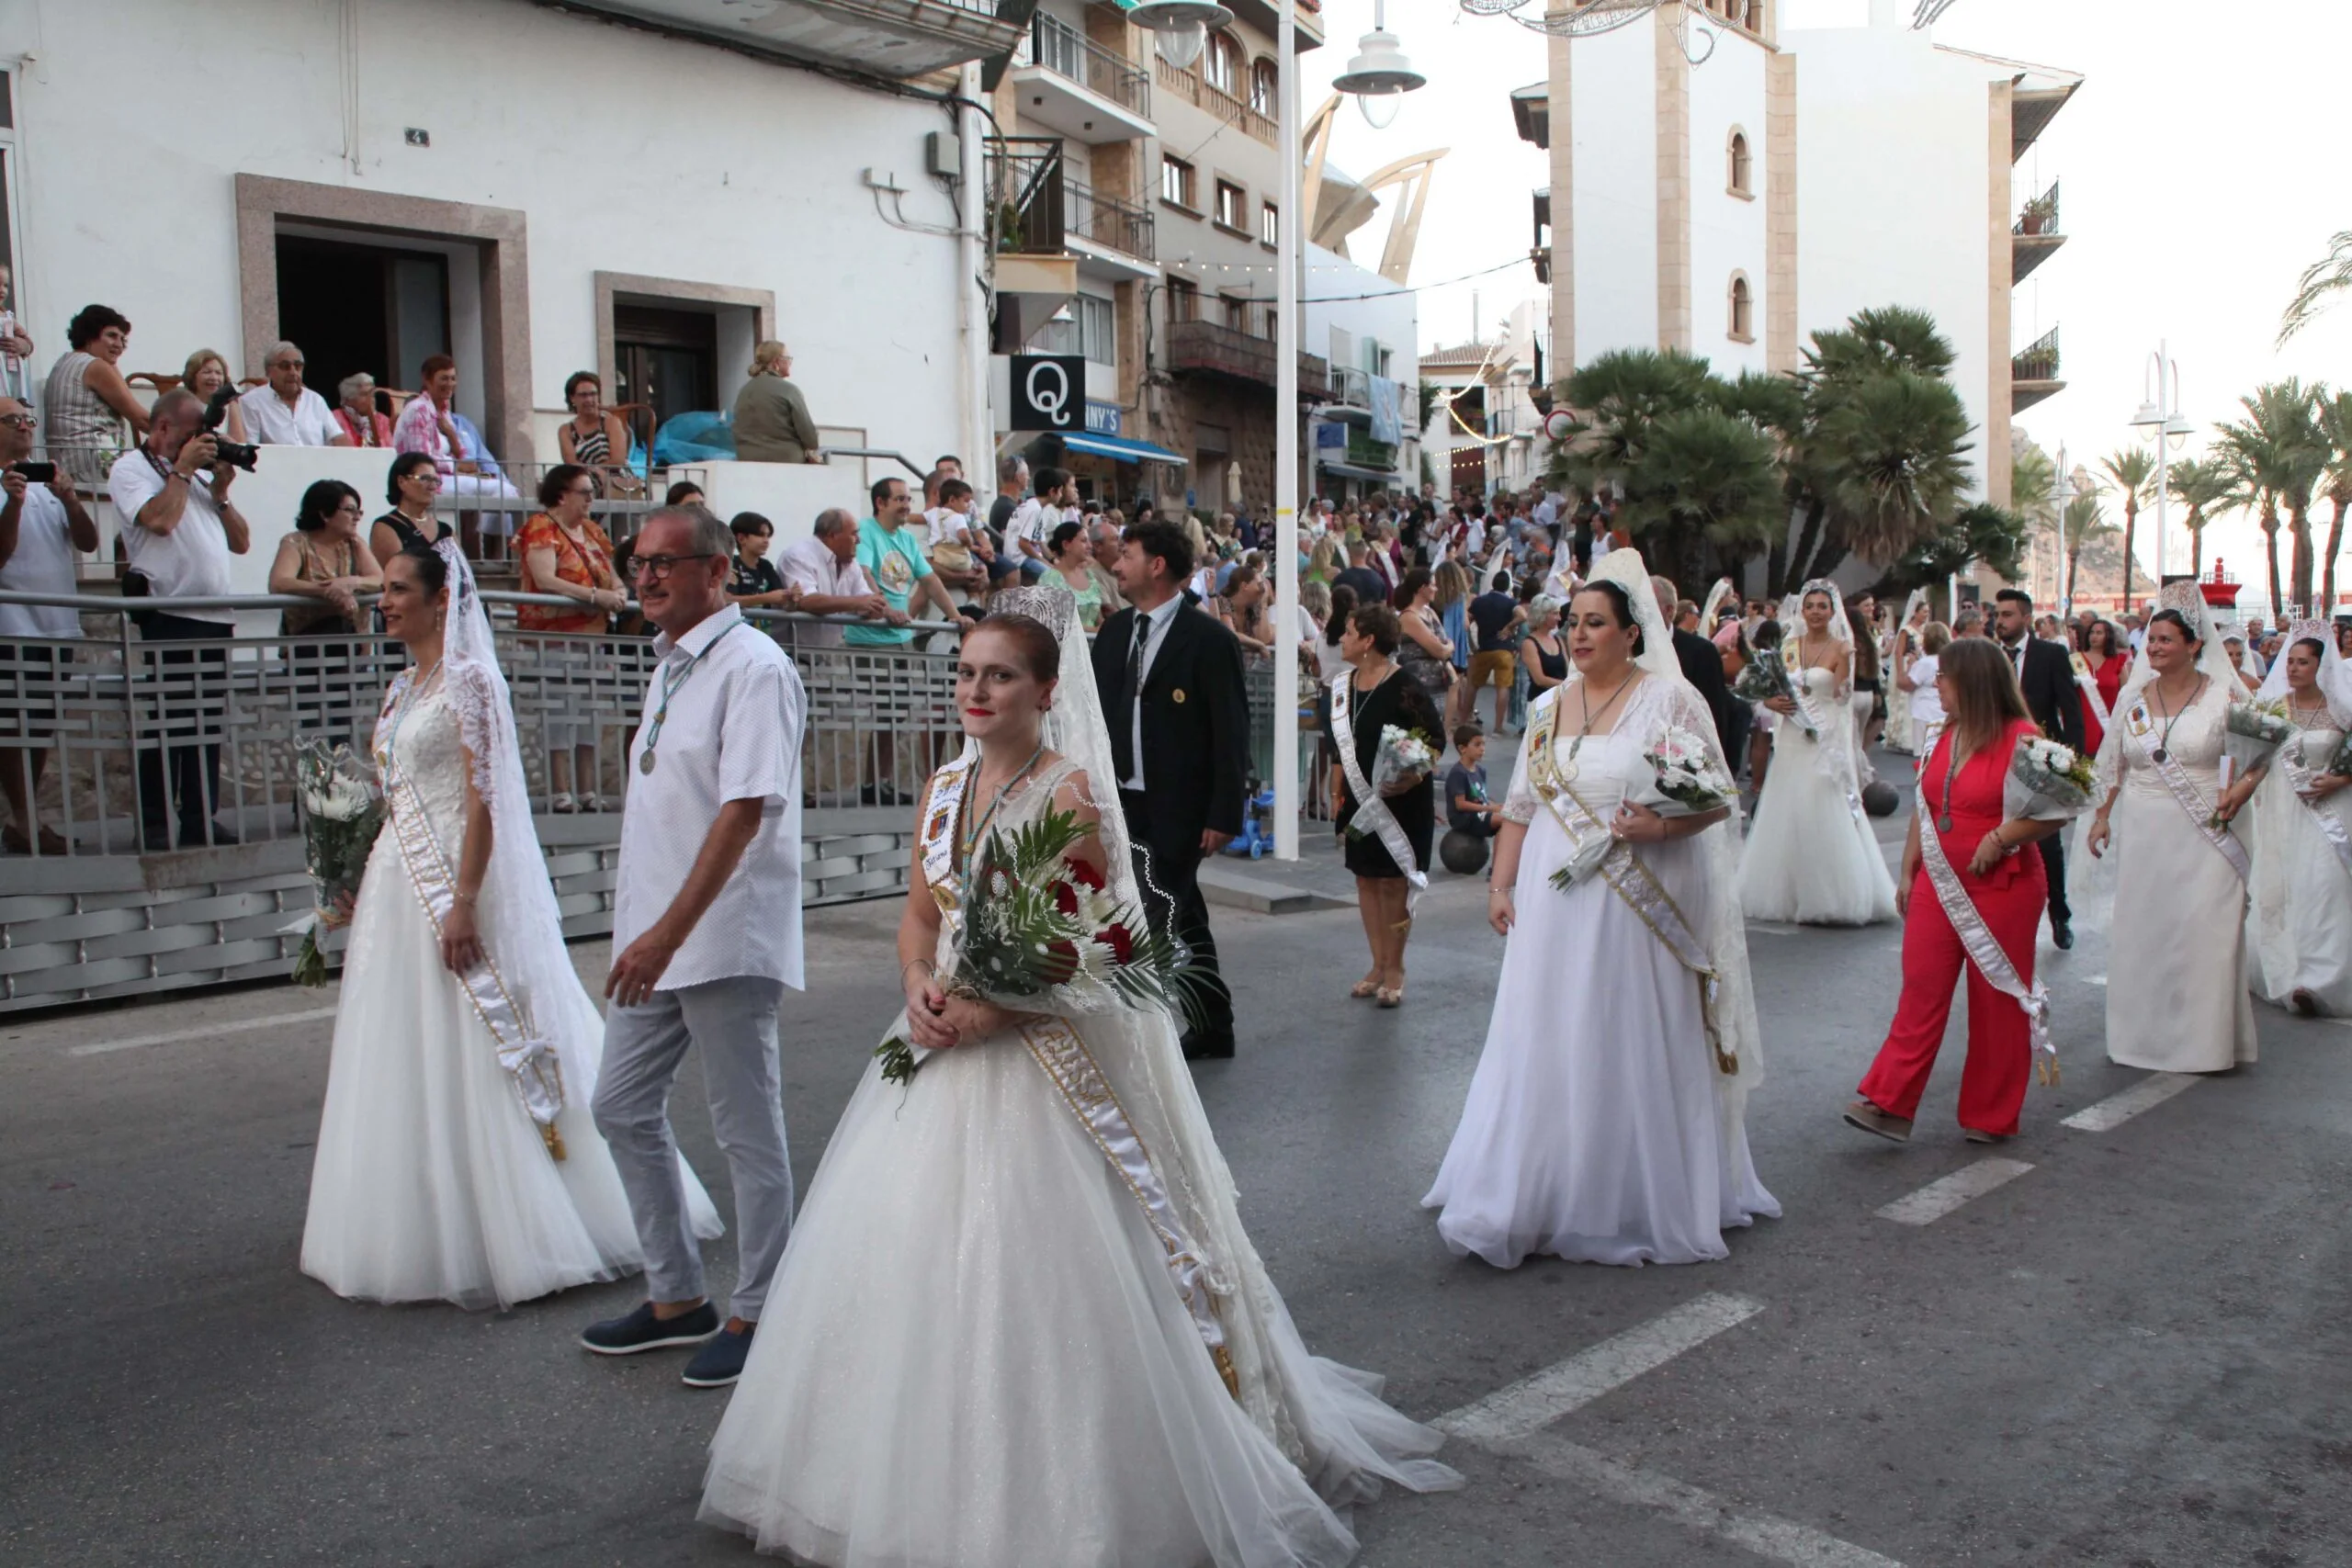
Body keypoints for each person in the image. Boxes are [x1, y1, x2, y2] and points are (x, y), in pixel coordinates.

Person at [698, 596, 1458, 1560]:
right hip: (938, 1048)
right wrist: (919, 983)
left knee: (1046, 1279)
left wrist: (993, 1010)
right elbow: (920, 919)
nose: (977, 691)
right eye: (967, 673)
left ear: (1045, 692)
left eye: (999, 675)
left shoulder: (1068, 798)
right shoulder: (941, 788)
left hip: (1038, 1057)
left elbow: (1097, 950)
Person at [301, 541, 722, 1308]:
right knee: (405, 1042)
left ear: (439, 600)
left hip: (462, 884)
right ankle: (423, 1212)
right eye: (382, 589)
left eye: (399, 589)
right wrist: (347, 860)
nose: (384, 600)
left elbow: (484, 796)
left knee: (477, 1034)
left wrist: (463, 898)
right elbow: (398, 794)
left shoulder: (471, 681)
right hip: (397, 886)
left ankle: (539, 1213)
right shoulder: (401, 687)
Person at [1426, 549, 1776, 1267]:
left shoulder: (1670, 701)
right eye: (1571, 622)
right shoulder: (1549, 705)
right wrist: (1501, 883)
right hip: (1554, 898)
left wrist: (1662, 826)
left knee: (1622, 1026)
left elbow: (1716, 797)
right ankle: (1541, 1182)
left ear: (1630, 632)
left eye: (1594, 623)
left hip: (1638, 895)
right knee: (1551, 1027)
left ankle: (1629, 1190)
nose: (1578, 635)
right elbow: (1521, 803)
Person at [582, 505, 808, 1390]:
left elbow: (744, 810)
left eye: (664, 564)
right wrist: (645, 928)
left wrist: (665, 932)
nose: (645, 577)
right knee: (619, 1104)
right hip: (659, 934)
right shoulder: (673, 663)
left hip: (719, 932)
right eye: (637, 562)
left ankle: (763, 1305)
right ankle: (677, 1297)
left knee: (746, 1128)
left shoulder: (754, 666)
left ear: (719, 572)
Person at [1845, 638, 2068, 1145]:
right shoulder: (1939, 734)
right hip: (1939, 880)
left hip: (2004, 884)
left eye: (1944, 676)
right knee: (1921, 990)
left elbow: (2057, 810)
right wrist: (1907, 871)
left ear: (1973, 681)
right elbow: (1924, 809)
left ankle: (1990, 1114)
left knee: (1997, 1002)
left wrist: (2002, 837)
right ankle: (1889, 1102)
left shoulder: (2023, 737)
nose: (1936, 684)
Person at [2085, 586, 2260, 1073]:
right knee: (2148, 931)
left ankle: (2204, 1044)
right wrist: (2102, 817)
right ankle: (2143, 1039)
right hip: (2145, 830)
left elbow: (2263, 751)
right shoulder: (2133, 699)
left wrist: (2243, 788)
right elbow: (2115, 763)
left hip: (2208, 827)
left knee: (2204, 933)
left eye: (2165, 640)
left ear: (2193, 645)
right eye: (2152, 640)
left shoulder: (2224, 695)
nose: (2156, 648)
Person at [1092, 520, 1250, 1059]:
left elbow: (1231, 732)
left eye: (1126, 554)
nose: (1115, 565)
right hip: (1123, 802)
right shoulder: (1114, 634)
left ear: (1156, 565)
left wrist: (1225, 811)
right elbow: (1097, 720)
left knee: (1153, 916)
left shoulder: (1209, 640)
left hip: (1180, 809)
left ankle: (1140, 1033)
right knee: (1182, 915)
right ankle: (1212, 1023)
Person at [109, 389, 253, 852]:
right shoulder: (132, 468)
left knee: (207, 724)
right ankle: (154, 819)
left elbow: (241, 543)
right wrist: (184, 469)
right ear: (163, 427)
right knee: (169, 721)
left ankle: (200, 819)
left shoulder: (194, 478)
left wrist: (222, 494)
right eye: (192, 433)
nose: (201, 441)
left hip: (213, 617)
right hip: (168, 612)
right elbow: (158, 522)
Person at [1738, 580, 1896, 925]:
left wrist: (1833, 737)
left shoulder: (1843, 649)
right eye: (1810, 606)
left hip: (1823, 736)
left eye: (1822, 606)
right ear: (1802, 610)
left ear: (1832, 610)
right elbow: (1771, 686)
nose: (1815, 612)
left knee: (1821, 803)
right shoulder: (1788, 646)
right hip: (1793, 734)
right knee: (1788, 806)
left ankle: (1830, 893)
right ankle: (1786, 891)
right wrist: (1770, 701)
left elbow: (1842, 700)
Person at [1329, 602, 1443, 1009]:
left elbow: (1433, 741)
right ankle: (1376, 964)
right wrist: (1335, 796)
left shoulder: (1405, 686)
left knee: (1395, 883)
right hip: (1358, 804)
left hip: (1402, 805)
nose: (1341, 638)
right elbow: (1339, 750)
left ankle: (1396, 967)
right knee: (1365, 878)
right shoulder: (1342, 687)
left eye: (1347, 631)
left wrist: (1410, 775)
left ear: (1368, 640)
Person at [0, 397, 98, 855]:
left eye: (29, 419)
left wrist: (72, 500)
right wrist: (13, 503)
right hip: (13, 625)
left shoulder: (46, 481)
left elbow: (88, 541)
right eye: (14, 420)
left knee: (40, 726)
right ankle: (23, 821)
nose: (25, 426)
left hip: (57, 626)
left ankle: (25, 819)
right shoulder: (11, 487)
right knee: (15, 726)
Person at [2247, 624, 2352, 1017]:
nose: (2292, 668)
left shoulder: (2342, 710)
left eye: (2302, 662)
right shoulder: (2273, 708)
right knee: (2285, 886)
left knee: (2323, 886)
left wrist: (2341, 778)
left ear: (2321, 668)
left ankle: (2320, 977)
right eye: (2289, 661)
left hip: (2331, 811)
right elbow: (2253, 757)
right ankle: (2288, 969)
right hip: (2281, 809)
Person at [515, 464, 627, 813]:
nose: (592, 498)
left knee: (590, 714)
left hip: (593, 637)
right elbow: (546, 579)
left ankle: (588, 788)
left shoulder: (592, 531)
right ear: (562, 494)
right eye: (585, 492)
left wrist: (619, 591)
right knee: (561, 713)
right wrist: (595, 596)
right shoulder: (541, 527)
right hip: (555, 636)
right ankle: (562, 790)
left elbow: (611, 573)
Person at [1990, 588, 2086, 947]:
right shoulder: (1988, 655)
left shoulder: (2051, 654)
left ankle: (2059, 913)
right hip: (1995, 759)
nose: (2000, 622)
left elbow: (2070, 710)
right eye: (1997, 615)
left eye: (2008, 615)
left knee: (2046, 844)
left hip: (2040, 761)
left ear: (2027, 618)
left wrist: (2072, 766)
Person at [393, 354, 523, 552]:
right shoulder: (418, 409)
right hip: (424, 481)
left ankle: (493, 549)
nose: (450, 384)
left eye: (453, 378)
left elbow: (459, 454)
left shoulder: (443, 410)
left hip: (443, 476)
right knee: (503, 491)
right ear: (427, 380)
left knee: (505, 488)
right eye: (443, 378)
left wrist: (452, 435)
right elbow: (420, 461)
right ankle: (491, 551)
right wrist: (458, 467)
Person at [44, 305, 148, 494]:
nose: (119, 344)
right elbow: (140, 418)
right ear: (90, 335)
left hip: (66, 463)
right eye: (111, 335)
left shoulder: (65, 361)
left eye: (123, 339)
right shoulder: (95, 366)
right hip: (93, 463)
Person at [268, 479, 381, 637]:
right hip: (306, 643)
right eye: (350, 510)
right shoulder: (296, 542)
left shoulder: (355, 542)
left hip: (354, 645)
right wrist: (327, 590)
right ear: (324, 514)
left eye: (359, 511)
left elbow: (379, 580)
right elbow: (279, 583)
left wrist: (350, 583)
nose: (357, 517)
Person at [1657, 573, 1737, 764]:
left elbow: (1714, 711)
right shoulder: (1627, 649)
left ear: (1669, 611)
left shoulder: (1701, 651)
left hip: (1686, 759)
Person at [776, 507, 889, 643]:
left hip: (832, 654)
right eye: (854, 534)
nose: (859, 540)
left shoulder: (850, 562)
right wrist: (859, 603)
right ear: (832, 536)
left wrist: (878, 607)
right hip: (795, 656)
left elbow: (864, 599)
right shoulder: (798, 555)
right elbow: (806, 601)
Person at [237, 342, 348, 446]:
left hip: (316, 465)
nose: (293, 372)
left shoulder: (315, 400)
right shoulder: (251, 402)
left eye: (298, 366)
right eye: (285, 366)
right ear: (268, 371)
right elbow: (250, 447)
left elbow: (337, 437)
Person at [730, 341, 822, 464]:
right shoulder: (789, 390)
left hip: (747, 461)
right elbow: (810, 438)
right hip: (786, 461)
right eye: (788, 358)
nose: (790, 362)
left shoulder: (744, 391)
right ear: (776, 362)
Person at [557, 370, 641, 495]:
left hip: (617, 480)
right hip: (583, 478)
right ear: (572, 398)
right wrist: (592, 471)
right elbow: (571, 464)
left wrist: (597, 470)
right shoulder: (566, 430)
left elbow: (618, 460)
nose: (589, 399)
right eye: (583, 395)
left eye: (593, 394)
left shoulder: (611, 422)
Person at [372, 450, 452, 563]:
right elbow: (397, 574)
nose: (433, 486)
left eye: (435, 480)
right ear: (402, 482)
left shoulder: (446, 530)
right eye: (424, 478)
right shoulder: (386, 526)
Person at [2074, 617, 2131, 760]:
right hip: (2082, 722)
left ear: (2108, 636)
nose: (2094, 636)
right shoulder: (2076, 660)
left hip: (2109, 722)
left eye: (2099, 633)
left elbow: (2127, 693)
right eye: (2092, 632)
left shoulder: (2117, 661)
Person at [1046, 517, 1111, 632]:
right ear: (1066, 545)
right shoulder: (1049, 580)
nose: (1090, 546)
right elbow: (1053, 624)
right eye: (1084, 541)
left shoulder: (1089, 576)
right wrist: (1096, 631)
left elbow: (1098, 617)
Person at [725, 512, 797, 611]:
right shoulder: (731, 565)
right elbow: (727, 600)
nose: (766, 541)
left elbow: (782, 600)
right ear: (741, 539)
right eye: (761, 535)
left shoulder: (766, 566)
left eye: (768, 536)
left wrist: (792, 597)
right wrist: (766, 598)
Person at [1901, 621, 1951, 759]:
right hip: (1943, 712)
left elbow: (1908, 684)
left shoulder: (1924, 663)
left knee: (1924, 753)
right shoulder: (1949, 661)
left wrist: (1909, 666)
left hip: (1924, 713)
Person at [177, 351, 252, 446]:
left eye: (219, 373)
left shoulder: (231, 405)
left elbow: (240, 443)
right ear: (192, 377)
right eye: (207, 372)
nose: (214, 378)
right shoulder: (183, 404)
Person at [1446, 724, 1500, 840]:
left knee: (1510, 818)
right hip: (1464, 819)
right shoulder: (1458, 773)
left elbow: (1482, 797)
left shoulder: (1481, 771)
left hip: (1480, 814)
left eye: (1483, 744)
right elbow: (1461, 805)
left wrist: (1498, 806)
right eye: (1477, 745)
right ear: (1462, 748)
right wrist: (1490, 809)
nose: (1482, 748)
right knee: (1504, 820)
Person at [332, 373, 394, 447]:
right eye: (364, 394)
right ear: (348, 400)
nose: (371, 399)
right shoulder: (335, 418)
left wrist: (372, 422)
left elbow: (388, 450)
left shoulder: (382, 420)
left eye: (373, 394)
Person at [0, 265, 33, 404]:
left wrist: (24, 346)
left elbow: (27, 340)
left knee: (12, 404)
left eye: (6, 285)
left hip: (10, 367)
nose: (2, 290)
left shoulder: (7, 316)